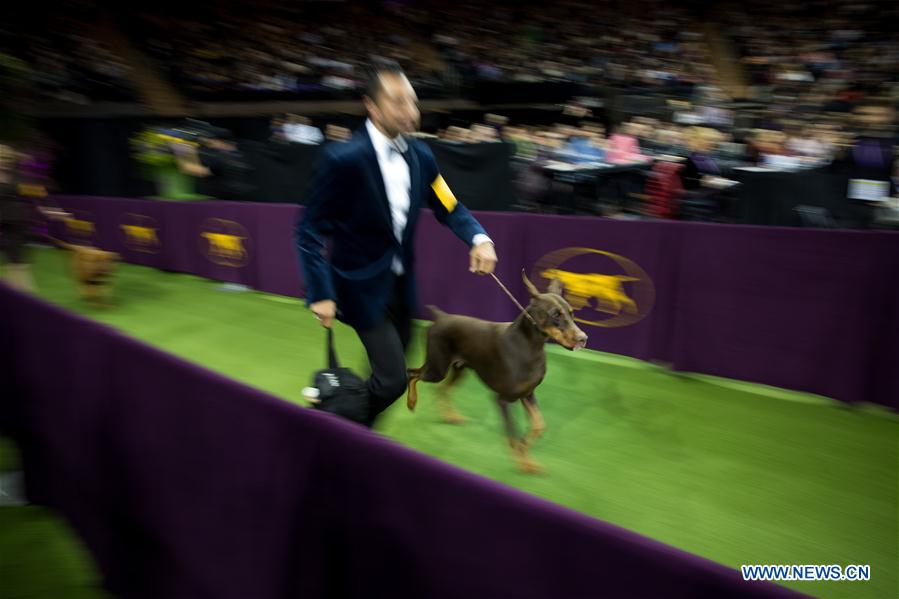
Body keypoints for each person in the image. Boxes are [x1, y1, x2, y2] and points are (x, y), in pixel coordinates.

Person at [296, 59, 498, 427]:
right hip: (357, 287)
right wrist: (320, 292)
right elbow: (308, 231)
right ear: (372, 106)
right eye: (398, 101)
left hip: (401, 288)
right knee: (392, 380)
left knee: (388, 374)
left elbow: (449, 206)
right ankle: (346, 430)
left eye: (413, 101)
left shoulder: (422, 155)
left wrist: (478, 237)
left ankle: (354, 431)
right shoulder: (342, 159)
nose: (410, 111)